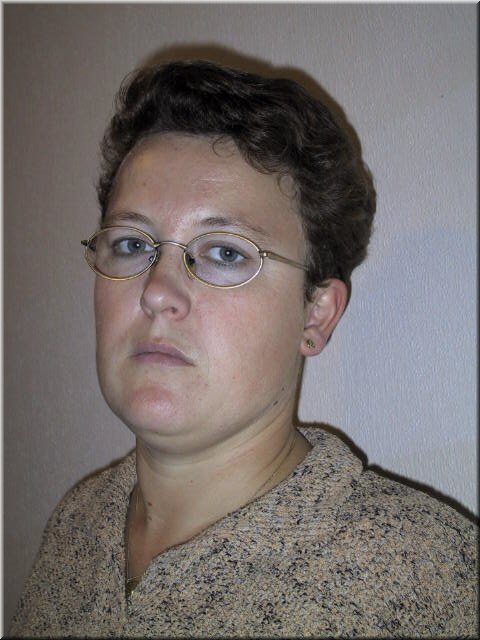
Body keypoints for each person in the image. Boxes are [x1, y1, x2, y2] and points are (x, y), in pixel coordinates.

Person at [10, 60, 477, 638]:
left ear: (315, 313)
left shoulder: (426, 583)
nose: (156, 291)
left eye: (225, 252)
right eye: (131, 244)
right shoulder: (77, 524)